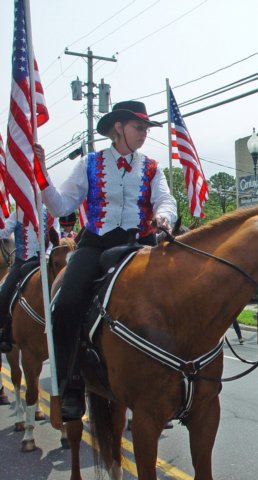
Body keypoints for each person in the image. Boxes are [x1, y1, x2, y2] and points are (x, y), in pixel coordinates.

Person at [35, 100, 177, 422]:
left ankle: (172, 380)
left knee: (177, 297)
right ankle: (71, 384)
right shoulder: (89, 163)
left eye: (145, 129)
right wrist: (42, 175)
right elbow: (59, 206)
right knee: (67, 303)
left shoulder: (152, 167)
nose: (144, 133)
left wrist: (164, 218)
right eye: (139, 127)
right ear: (118, 127)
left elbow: (165, 200)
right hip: (96, 244)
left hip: (140, 244)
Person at [0, 209, 58, 352]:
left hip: (45, 261)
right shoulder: (18, 212)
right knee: (4, 293)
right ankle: (5, 332)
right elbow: (5, 231)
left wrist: (47, 256)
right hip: (22, 261)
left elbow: (55, 239)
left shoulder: (52, 214)